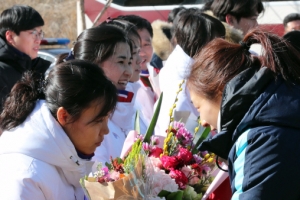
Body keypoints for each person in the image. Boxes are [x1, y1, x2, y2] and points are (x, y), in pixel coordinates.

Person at [187, 29, 300, 199]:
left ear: (220, 91)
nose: (202, 121)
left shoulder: (261, 137)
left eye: (198, 108)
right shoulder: (274, 116)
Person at [0, 60, 117, 199]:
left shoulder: (66, 160)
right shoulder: (24, 177)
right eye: (98, 120)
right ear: (64, 116)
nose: (106, 130)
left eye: (106, 119)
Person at [56, 25, 133, 164]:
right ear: (93, 63)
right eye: (121, 62)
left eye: (129, 62)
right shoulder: (80, 114)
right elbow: (95, 177)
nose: (129, 71)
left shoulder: (127, 105)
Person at [156, 8, 226, 137]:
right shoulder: (180, 82)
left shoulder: (187, 68)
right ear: (199, 42)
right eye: (217, 43)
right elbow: (182, 134)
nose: (221, 48)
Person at [0, 5, 51, 109]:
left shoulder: (36, 68)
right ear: (10, 36)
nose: (38, 40)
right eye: (33, 33)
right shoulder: (2, 73)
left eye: (40, 34)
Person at [116, 15, 157, 128]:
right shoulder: (120, 90)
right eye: (135, 49)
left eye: (146, 45)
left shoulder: (157, 76)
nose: (141, 54)